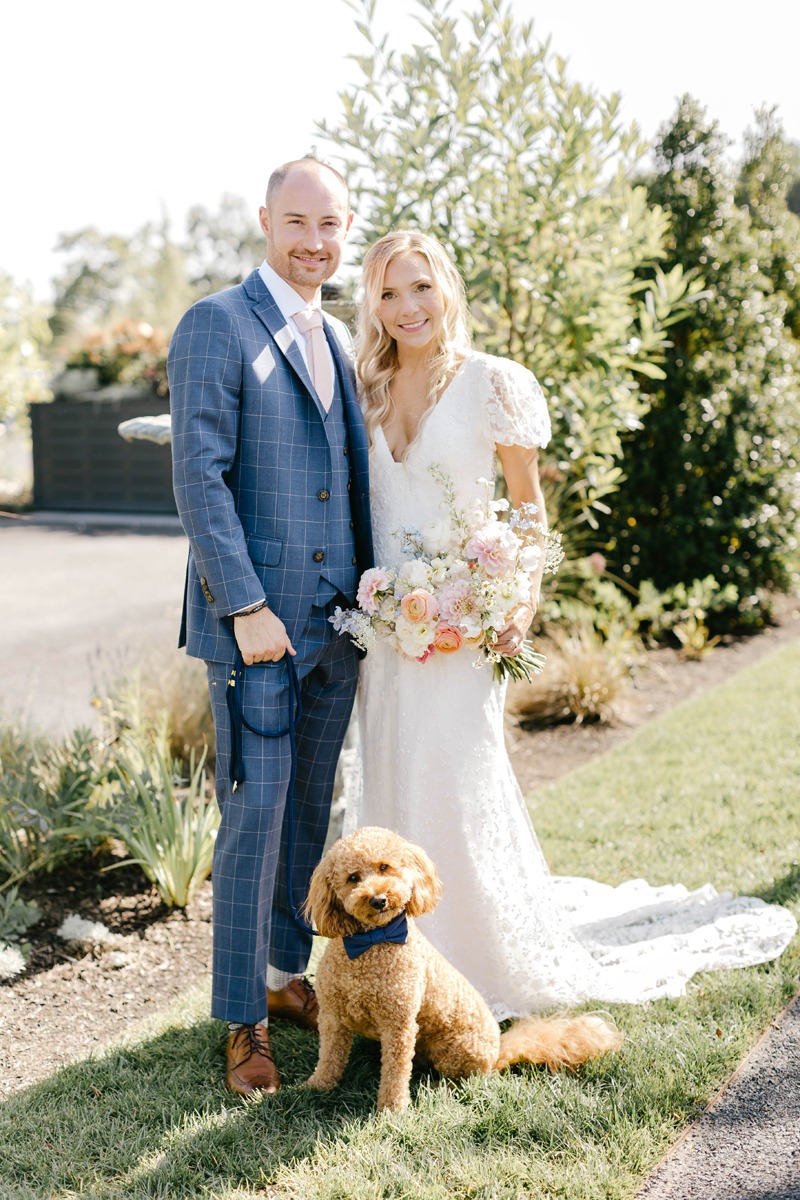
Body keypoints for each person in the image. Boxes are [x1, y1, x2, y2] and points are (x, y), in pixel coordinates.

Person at [344, 229, 796, 1018]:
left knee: (457, 779)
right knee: (391, 780)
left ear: (446, 286)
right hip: (389, 635)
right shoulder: (365, 388)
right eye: (388, 293)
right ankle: (397, 972)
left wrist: (514, 601)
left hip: (467, 632)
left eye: (420, 286)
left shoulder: (493, 383)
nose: (406, 306)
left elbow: (527, 509)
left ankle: (477, 962)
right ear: (372, 307)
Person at [168, 159, 372, 1095]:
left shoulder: (336, 334)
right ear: (264, 221)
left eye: (330, 225)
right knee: (252, 817)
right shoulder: (217, 322)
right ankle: (241, 1021)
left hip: (337, 630)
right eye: (297, 221)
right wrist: (244, 606)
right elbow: (198, 476)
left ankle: (289, 978)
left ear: (347, 229)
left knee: (309, 814)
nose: (313, 241)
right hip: (257, 628)